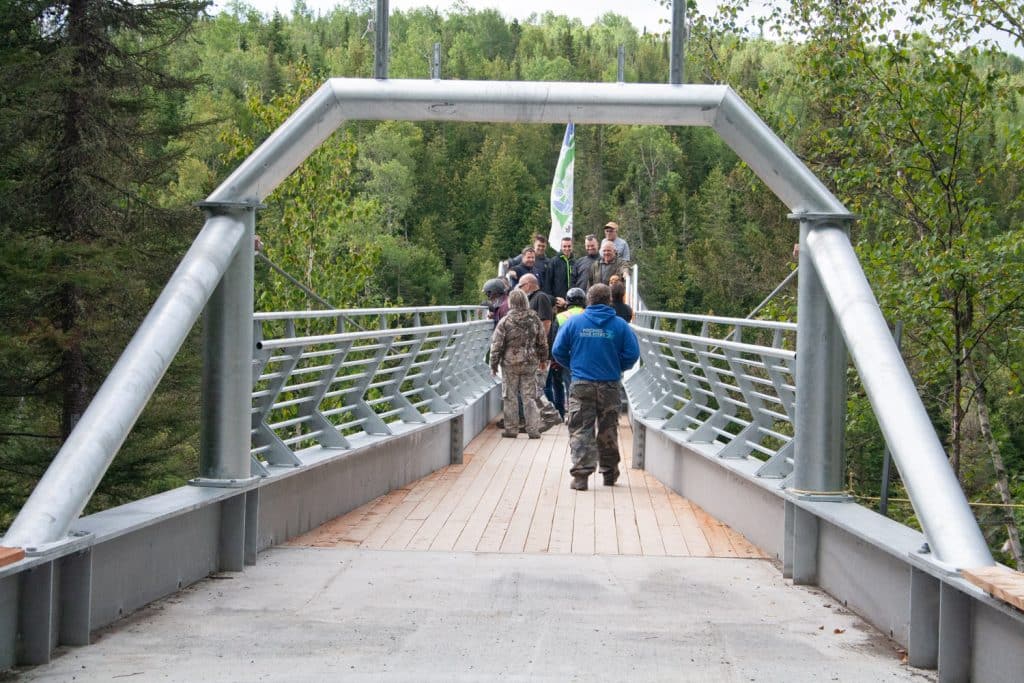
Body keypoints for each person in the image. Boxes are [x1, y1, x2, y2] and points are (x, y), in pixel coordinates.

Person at [552, 283, 640, 491]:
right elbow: (632, 355)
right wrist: (618, 366)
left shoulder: (574, 323)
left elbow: (558, 350)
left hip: (581, 383)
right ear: (609, 300)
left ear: (589, 300)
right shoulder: (620, 325)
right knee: (608, 428)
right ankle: (609, 474)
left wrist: (574, 365)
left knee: (581, 428)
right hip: (610, 383)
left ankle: (581, 476)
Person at [490, 290, 547, 439]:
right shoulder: (534, 319)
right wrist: (543, 359)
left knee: (510, 396)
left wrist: (493, 364)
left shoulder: (505, 321)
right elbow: (542, 341)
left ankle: (511, 429)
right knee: (529, 397)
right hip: (530, 361)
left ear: (511, 303)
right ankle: (533, 430)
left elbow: (496, 344)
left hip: (510, 363)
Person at [516, 274, 563, 432]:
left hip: (538, 352)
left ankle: (550, 415)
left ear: (528, 285)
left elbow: (546, 323)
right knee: (531, 387)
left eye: (521, 286)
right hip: (532, 351)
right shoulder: (532, 299)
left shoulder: (540, 297)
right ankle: (535, 420)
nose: (520, 289)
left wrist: (537, 346)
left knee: (535, 387)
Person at [552, 286, 587, 414]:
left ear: (568, 301)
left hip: (566, 358)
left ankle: (571, 413)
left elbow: (554, 340)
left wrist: (554, 360)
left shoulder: (561, 317)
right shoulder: (588, 315)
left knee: (568, 386)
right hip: (585, 357)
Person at [544, 235, 574, 308]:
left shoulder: (575, 262)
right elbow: (547, 284)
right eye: (564, 246)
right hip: (557, 303)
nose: (567, 248)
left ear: (572, 247)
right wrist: (553, 301)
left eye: (569, 246)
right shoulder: (553, 262)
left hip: (571, 303)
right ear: (561, 247)